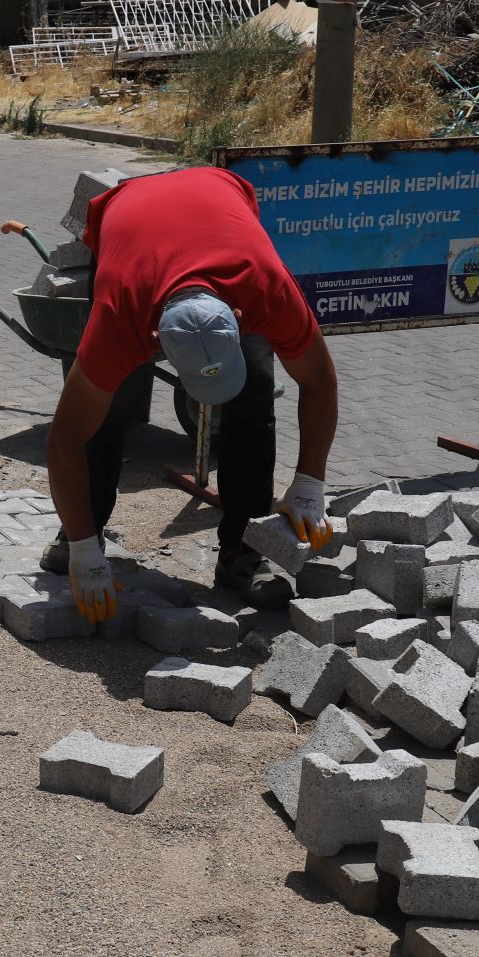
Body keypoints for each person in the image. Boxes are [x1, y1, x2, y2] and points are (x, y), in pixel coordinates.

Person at [44, 166, 340, 623]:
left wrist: (309, 485)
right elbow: (65, 440)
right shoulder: (120, 316)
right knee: (107, 407)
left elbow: (318, 379)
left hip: (217, 192)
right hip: (127, 214)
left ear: (239, 317)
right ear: (156, 341)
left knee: (254, 398)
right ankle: (82, 533)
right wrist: (84, 550)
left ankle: (243, 552)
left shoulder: (265, 288)